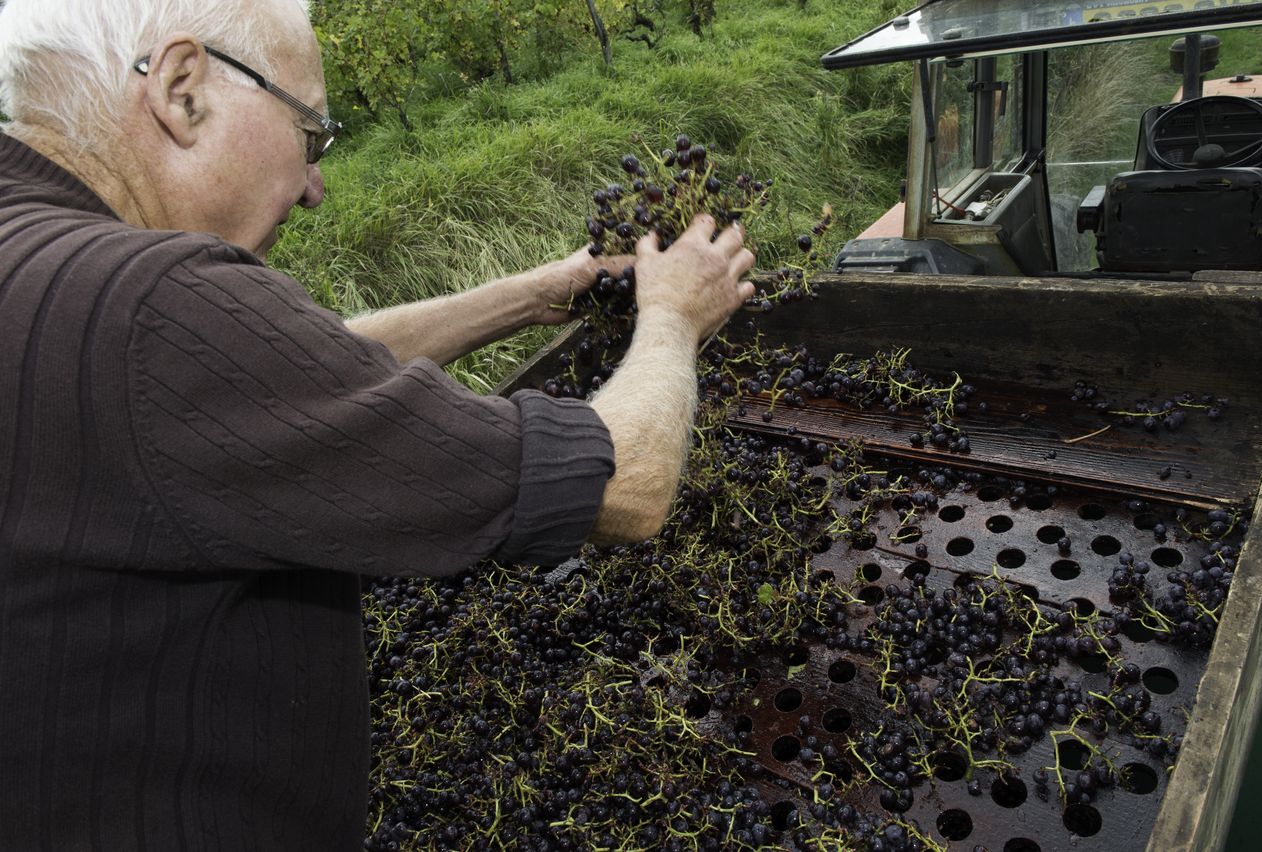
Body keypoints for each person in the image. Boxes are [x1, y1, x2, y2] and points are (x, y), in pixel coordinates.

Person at [0, 0, 756, 848]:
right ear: (183, 92)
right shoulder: (154, 308)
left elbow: (285, 373)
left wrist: (531, 295)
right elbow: (626, 481)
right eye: (310, 135)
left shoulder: (43, 261)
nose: (315, 189)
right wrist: (673, 318)